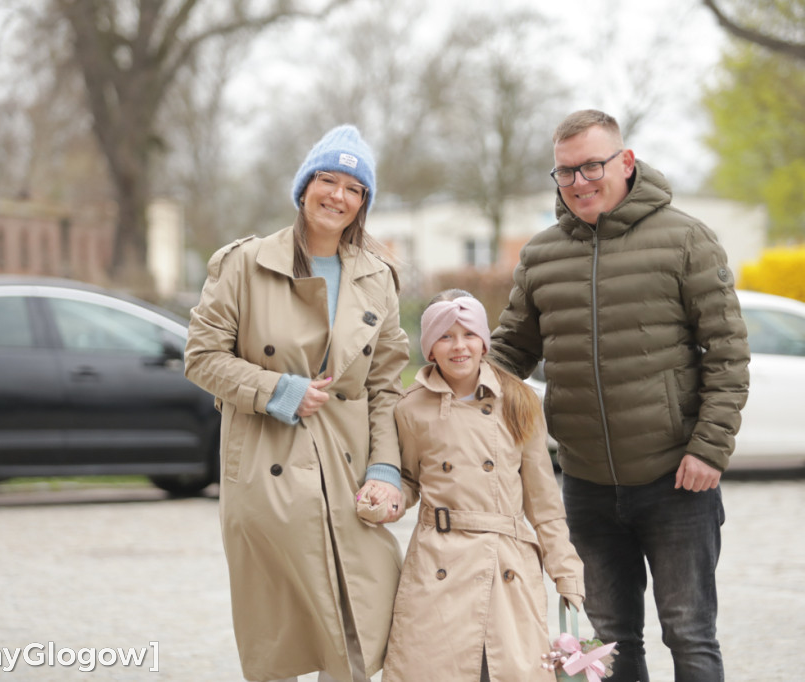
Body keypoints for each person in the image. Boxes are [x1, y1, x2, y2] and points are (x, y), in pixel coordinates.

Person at [489, 109, 750, 681]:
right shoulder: (541, 256)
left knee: (689, 633)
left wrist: (709, 449)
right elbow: (509, 352)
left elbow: (728, 353)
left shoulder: (686, 239)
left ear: (625, 162)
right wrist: (447, 384)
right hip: (585, 486)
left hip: (676, 481)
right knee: (607, 644)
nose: (578, 182)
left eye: (592, 166)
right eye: (565, 171)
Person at [184, 124, 410, 682]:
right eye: (327, 181)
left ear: (363, 203)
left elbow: (386, 385)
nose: (337, 196)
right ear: (304, 187)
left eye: (353, 188)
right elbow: (202, 357)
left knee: (361, 624)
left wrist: (387, 469)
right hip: (267, 467)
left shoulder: (378, 276)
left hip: (350, 469)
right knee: (284, 635)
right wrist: (278, 390)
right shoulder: (243, 263)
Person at [380, 290, 585, 682]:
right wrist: (386, 498)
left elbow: (543, 502)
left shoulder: (519, 400)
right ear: (430, 348)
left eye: (469, 334)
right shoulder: (409, 407)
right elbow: (406, 479)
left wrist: (566, 570)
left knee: (505, 670)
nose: (459, 346)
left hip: (506, 563)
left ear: (484, 342)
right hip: (437, 563)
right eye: (445, 336)